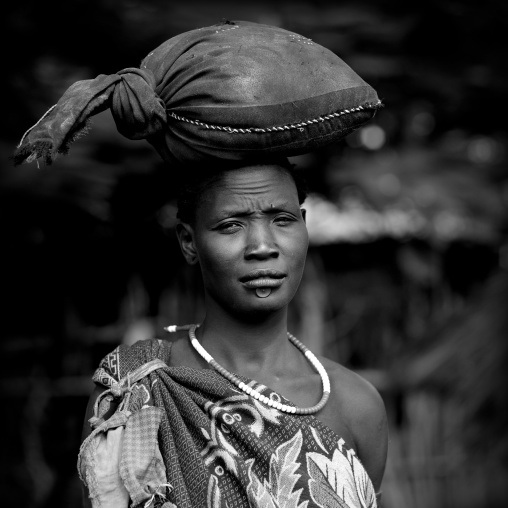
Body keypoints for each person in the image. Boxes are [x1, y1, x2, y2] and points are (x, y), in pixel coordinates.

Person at [15, 20, 387, 508]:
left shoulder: (356, 405)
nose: (262, 246)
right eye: (231, 225)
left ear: (304, 225)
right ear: (189, 242)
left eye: (281, 219)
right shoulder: (138, 389)